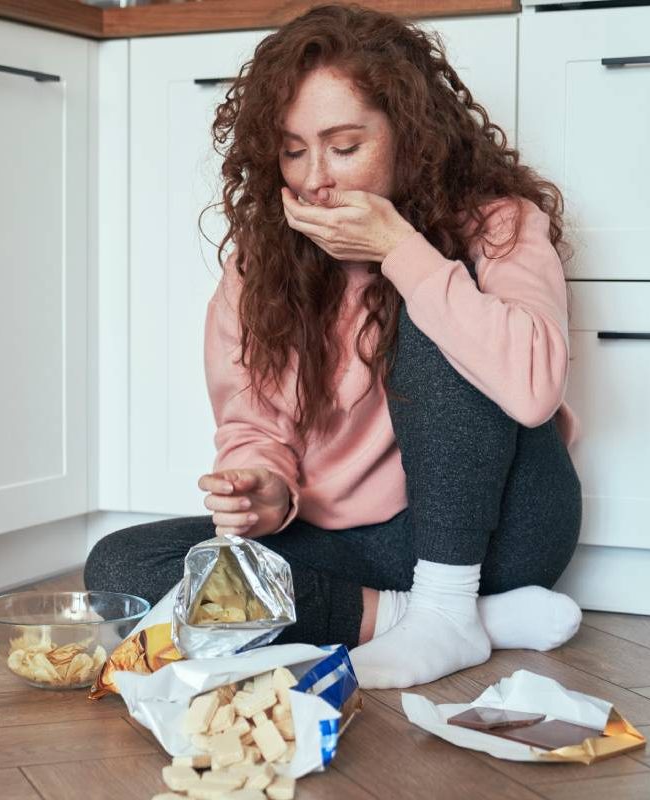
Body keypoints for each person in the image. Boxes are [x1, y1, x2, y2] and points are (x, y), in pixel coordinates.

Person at [85, 3, 584, 689]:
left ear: (412, 137)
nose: (315, 177)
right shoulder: (258, 267)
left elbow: (532, 390)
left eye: (345, 147)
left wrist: (402, 253)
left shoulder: (497, 224)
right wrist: (264, 487)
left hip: (500, 530)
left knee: (442, 306)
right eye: (293, 150)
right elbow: (252, 425)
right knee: (122, 566)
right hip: (351, 549)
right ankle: (441, 619)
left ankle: (449, 601)